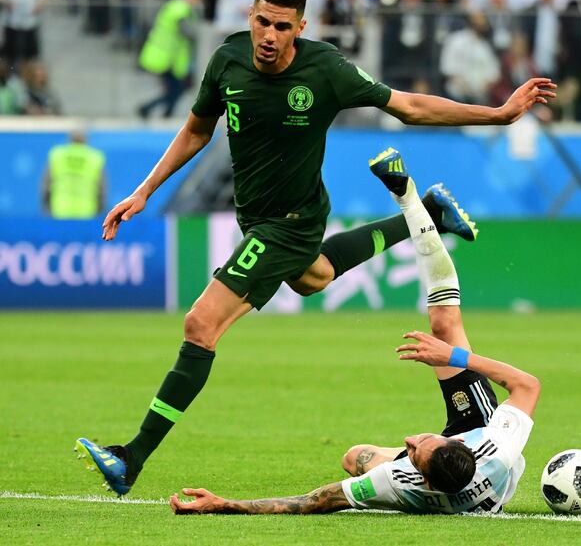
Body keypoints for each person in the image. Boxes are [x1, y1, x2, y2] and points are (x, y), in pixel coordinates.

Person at [75, 0, 556, 496]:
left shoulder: (325, 69)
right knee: (314, 277)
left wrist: (498, 114)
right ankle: (428, 215)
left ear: (299, 28)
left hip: (291, 222)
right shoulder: (227, 60)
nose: (269, 35)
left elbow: (408, 105)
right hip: (257, 219)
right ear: (250, 17)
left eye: (282, 26)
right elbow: (196, 129)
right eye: (261, 21)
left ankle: (131, 457)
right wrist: (145, 190)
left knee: (200, 324)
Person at [169, 149, 541, 515]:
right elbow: (528, 385)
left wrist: (225, 504)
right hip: (476, 437)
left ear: (421, 479)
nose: (409, 440)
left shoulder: (396, 482)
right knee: (445, 325)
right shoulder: (498, 446)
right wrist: (451, 357)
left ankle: (430, 210)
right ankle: (413, 202)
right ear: (460, 443)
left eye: (413, 452)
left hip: (448, 477)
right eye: (422, 441)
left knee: (353, 458)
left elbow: (315, 501)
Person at [137, 0, 204, 119]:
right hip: (165, 57)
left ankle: (164, 112)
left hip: (169, 57)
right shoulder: (180, 8)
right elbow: (185, 31)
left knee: (177, 88)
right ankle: (149, 109)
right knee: (178, 88)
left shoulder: (175, 5)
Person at [42, 129, 107, 219]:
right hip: (86, 211)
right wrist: (99, 211)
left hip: (60, 210)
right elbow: (102, 190)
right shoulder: (94, 158)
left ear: (69, 139)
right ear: (86, 139)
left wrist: (46, 209)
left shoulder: (57, 155)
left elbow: (46, 187)